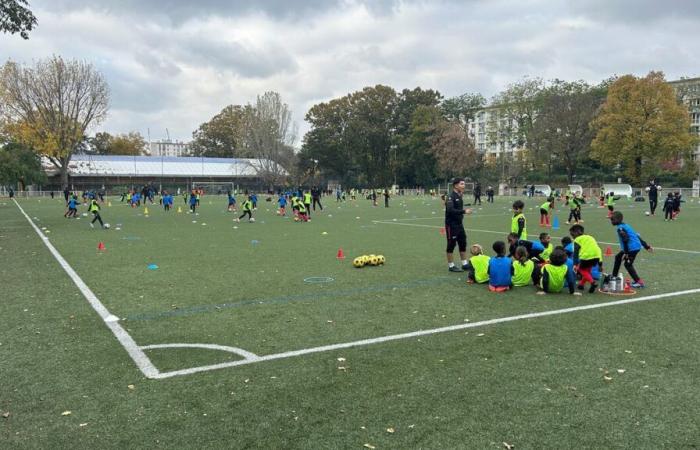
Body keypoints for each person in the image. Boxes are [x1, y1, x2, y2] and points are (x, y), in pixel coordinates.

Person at [610, 211, 652, 288]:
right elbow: (636, 236)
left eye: (612, 219)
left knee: (627, 264)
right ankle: (614, 277)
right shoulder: (625, 225)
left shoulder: (621, 229)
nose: (611, 221)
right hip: (632, 247)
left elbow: (625, 239)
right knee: (618, 257)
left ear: (618, 219)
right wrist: (646, 246)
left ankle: (639, 282)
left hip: (632, 249)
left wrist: (626, 253)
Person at [444, 177, 469, 272]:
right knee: (451, 244)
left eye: (464, 184)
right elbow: (450, 210)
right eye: (462, 184)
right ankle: (451, 266)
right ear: (455, 185)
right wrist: (464, 211)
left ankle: (464, 264)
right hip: (451, 225)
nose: (464, 185)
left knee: (463, 242)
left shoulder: (459, 195)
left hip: (459, 224)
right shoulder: (451, 196)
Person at [569, 224, 602, 294]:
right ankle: (581, 285)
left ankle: (592, 282)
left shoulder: (577, 240)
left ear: (577, 232)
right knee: (587, 271)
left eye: (572, 235)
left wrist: (575, 264)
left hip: (586, 257)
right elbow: (598, 249)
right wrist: (600, 264)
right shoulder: (590, 237)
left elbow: (575, 253)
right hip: (596, 256)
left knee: (581, 269)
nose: (572, 237)